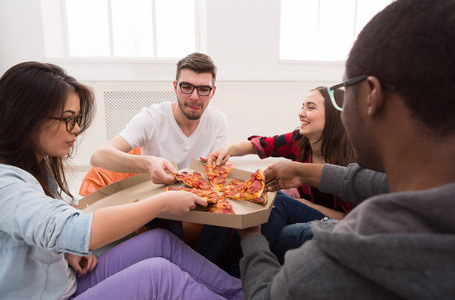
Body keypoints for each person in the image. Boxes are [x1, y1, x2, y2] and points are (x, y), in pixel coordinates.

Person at [238, 0, 455, 299]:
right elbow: (378, 183)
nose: (302, 112)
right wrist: (301, 171)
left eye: (344, 91)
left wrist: (250, 237)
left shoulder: (323, 269)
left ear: (371, 96)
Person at [0, 61, 244, 300]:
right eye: (68, 119)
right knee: (158, 275)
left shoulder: (37, 170)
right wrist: (162, 202)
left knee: (160, 241)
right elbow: (71, 228)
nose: (76, 129)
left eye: (77, 118)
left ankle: (245, 293)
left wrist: (64, 253)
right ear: (28, 119)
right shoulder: (6, 184)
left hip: (64, 278)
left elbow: (43, 225)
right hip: (54, 293)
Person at [89, 52, 239, 275]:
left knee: (229, 217)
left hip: (201, 199)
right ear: (175, 86)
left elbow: (217, 172)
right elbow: (99, 156)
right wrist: (149, 163)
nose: (195, 96)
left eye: (203, 89)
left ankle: (204, 276)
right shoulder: (152, 117)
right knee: (169, 226)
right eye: (186, 87)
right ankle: (198, 277)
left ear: (212, 91)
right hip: (162, 204)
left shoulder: (217, 120)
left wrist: (221, 166)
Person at [207, 86, 355, 257]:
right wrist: (227, 149)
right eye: (302, 107)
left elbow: (356, 218)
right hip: (303, 213)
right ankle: (211, 266)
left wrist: (305, 205)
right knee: (236, 194)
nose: (301, 113)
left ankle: (234, 272)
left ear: (333, 115)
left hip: (342, 224)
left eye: (311, 107)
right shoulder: (299, 140)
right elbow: (259, 145)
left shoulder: (353, 159)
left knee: (276, 199)